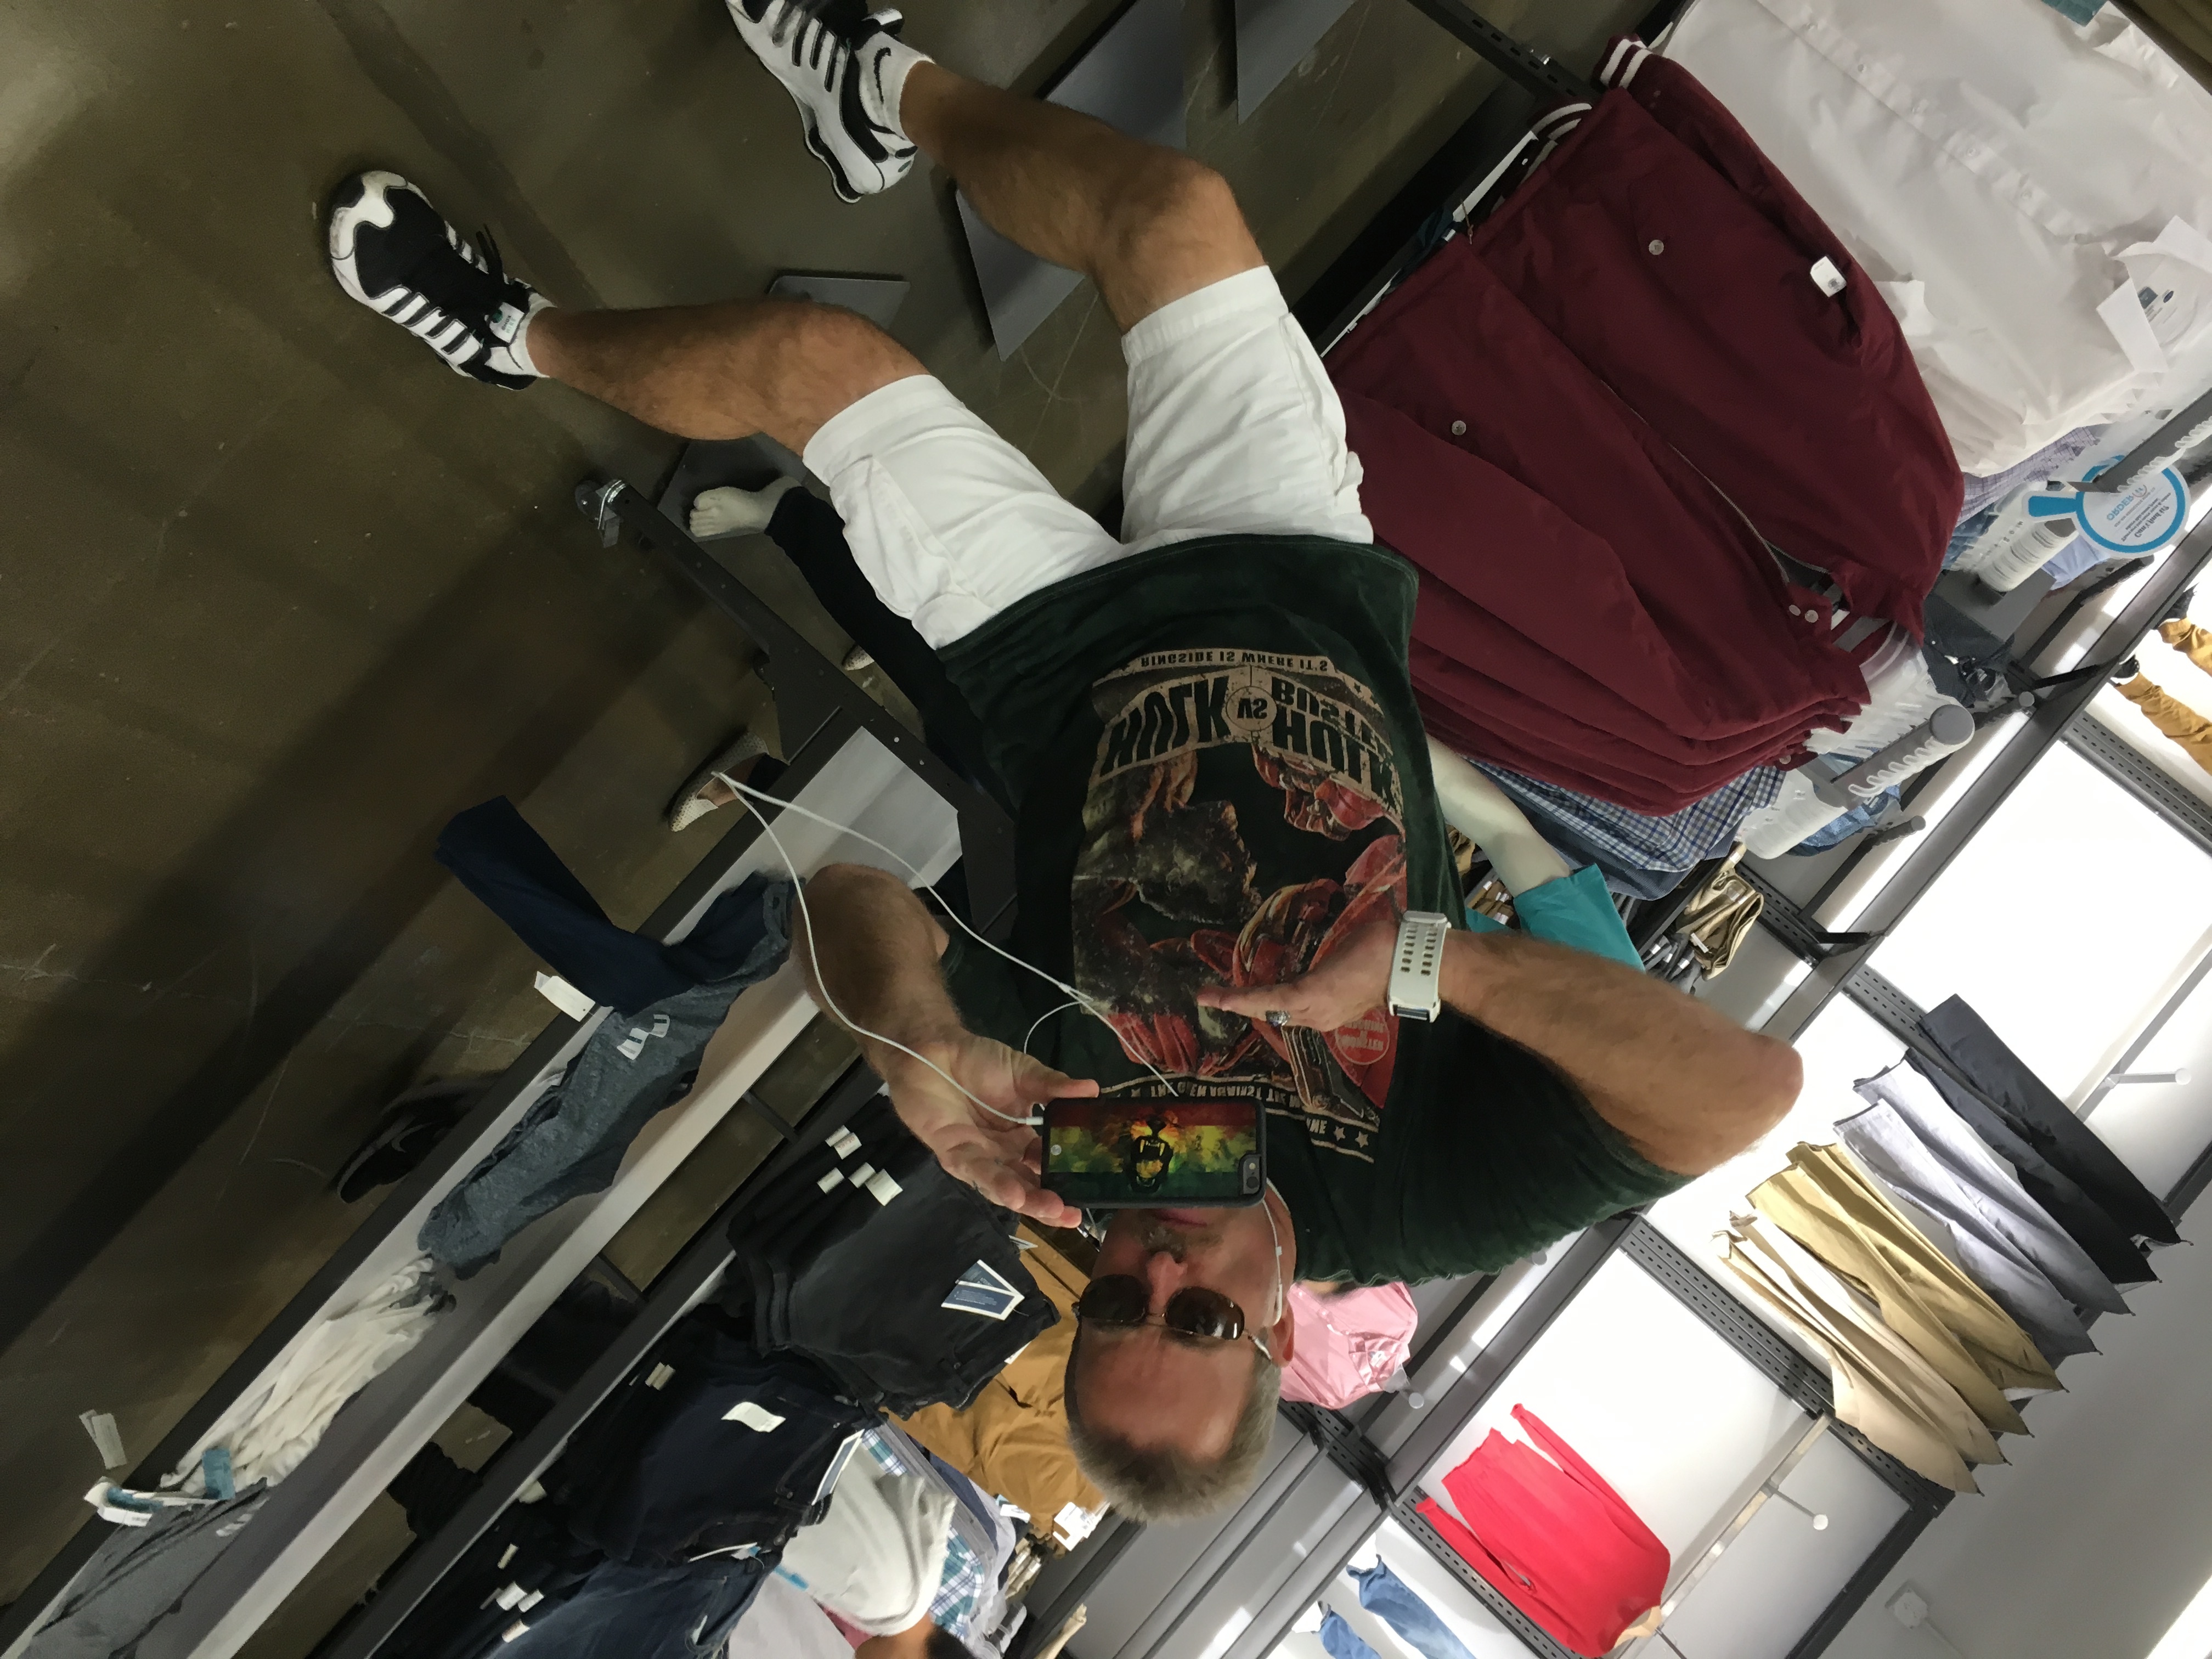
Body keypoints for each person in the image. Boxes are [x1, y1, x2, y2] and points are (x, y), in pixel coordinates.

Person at [324, 0, 1799, 1522]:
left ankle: (515, 337)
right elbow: (1744, 1092)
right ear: (1274, 1329)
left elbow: (843, 902)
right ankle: (879, 94)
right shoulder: (1425, 1195)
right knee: (1173, 215)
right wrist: (1430, 961)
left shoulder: (1078, 1151)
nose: (1155, 1269)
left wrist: (909, 1039)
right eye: (1199, 1318)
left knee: (806, 361)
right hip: (1297, 583)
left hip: (1046, 657)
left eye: (1115, 1307)